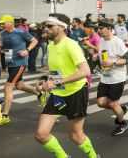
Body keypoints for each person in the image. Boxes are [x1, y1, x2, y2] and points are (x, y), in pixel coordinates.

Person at [34, 14, 99, 158]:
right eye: (46, 26)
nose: (46, 29)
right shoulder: (51, 45)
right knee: (41, 134)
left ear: (62, 27)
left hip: (76, 92)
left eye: (50, 26)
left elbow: (85, 71)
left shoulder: (71, 45)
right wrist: (45, 81)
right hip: (58, 94)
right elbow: (57, 71)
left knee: (76, 136)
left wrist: (56, 82)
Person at [0, 14, 41, 125]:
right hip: (11, 63)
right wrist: (0, 49)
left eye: (3, 23)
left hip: (20, 62)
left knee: (8, 87)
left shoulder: (20, 32)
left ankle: (5, 115)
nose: (2, 25)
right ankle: (39, 93)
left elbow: (34, 41)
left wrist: (27, 50)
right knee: (20, 85)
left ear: (10, 23)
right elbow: (3, 47)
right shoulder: (2, 34)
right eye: (1, 24)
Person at [95, 19, 128, 136]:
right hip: (105, 77)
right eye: (98, 28)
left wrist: (113, 63)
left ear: (109, 29)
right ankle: (121, 109)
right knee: (100, 103)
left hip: (117, 78)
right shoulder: (101, 40)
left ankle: (122, 123)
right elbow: (103, 56)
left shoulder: (118, 41)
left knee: (113, 104)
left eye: (101, 28)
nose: (99, 31)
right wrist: (96, 56)